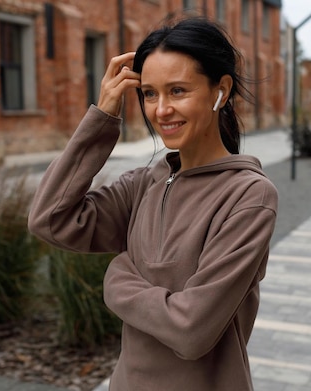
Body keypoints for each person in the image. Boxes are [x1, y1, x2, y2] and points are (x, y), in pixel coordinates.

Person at [28, 16, 278, 391]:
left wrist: (117, 281)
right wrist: (102, 118)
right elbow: (50, 219)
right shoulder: (143, 183)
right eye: (148, 93)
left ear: (220, 91)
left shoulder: (249, 197)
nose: (161, 110)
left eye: (178, 91)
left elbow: (191, 330)